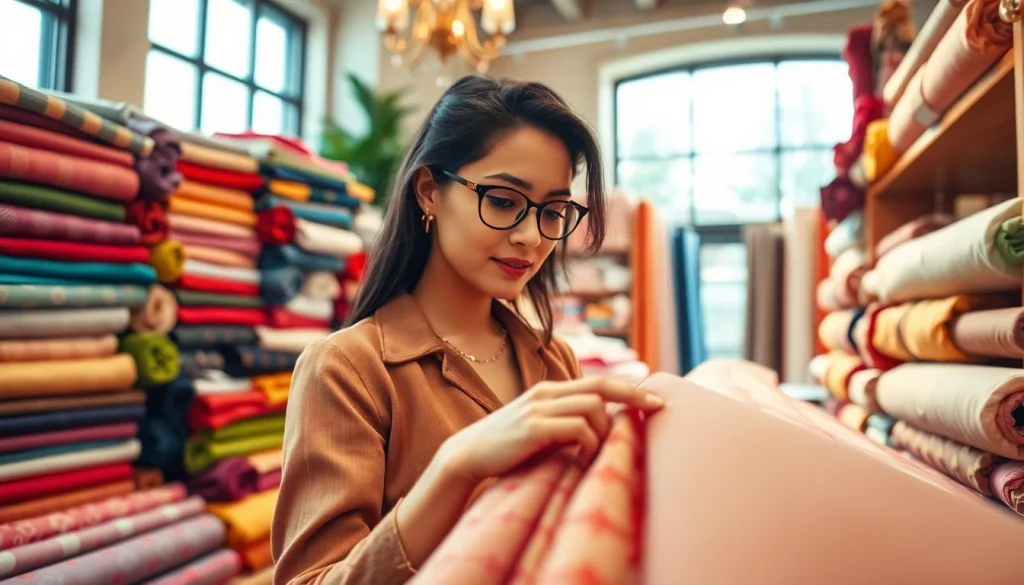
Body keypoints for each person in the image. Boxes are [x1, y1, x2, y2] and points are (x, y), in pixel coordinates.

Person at [271, 75, 665, 585]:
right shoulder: (348, 369)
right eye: (503, 200)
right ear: (429, 192)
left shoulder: (554, 361)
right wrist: (454, 468)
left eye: (553, 211)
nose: (531, 236)